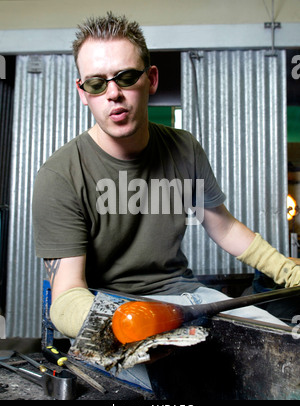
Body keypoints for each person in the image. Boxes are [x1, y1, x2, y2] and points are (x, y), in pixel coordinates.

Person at [33, 12, 300, 344]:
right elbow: (67, 295)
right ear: (83, 92)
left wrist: (287, 271)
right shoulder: (60, 175)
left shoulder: (184, 149)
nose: (113, 94)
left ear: (152, 78)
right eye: (97, 83)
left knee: (281, 342)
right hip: (111, 310)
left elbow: (224, 226)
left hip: (187, 297)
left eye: (126, 77)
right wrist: (121, 324)